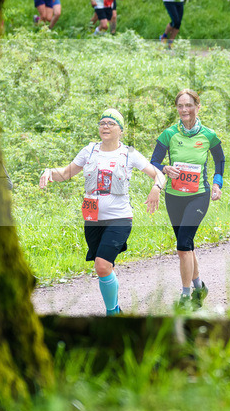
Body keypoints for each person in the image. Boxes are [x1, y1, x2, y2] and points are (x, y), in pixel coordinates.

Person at [38, 108, 163, 316]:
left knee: (102, 266)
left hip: (120, 218)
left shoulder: (129, 153)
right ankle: (116, 309)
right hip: (93, 218)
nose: (105, 126)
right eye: (102, 123)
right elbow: (68, 173)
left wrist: (156, 188)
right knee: (104, 268)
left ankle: (112, 313)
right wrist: (50, 172)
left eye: (111, 123)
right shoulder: (89, 150)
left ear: (121, 130)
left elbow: (158, 174)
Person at [150, 89, 224, 309]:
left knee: (182, 246)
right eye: (180, 106)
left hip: (199, 196)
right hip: (173, 197)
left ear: (197, 107)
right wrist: (164, 167)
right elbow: (153, 162)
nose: (184, 110)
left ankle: (185, 296)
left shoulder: (209, 135)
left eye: (189, 105)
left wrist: (218, 184)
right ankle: (200, 287)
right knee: (187, 246)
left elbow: (220, 161)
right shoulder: (169, 134)